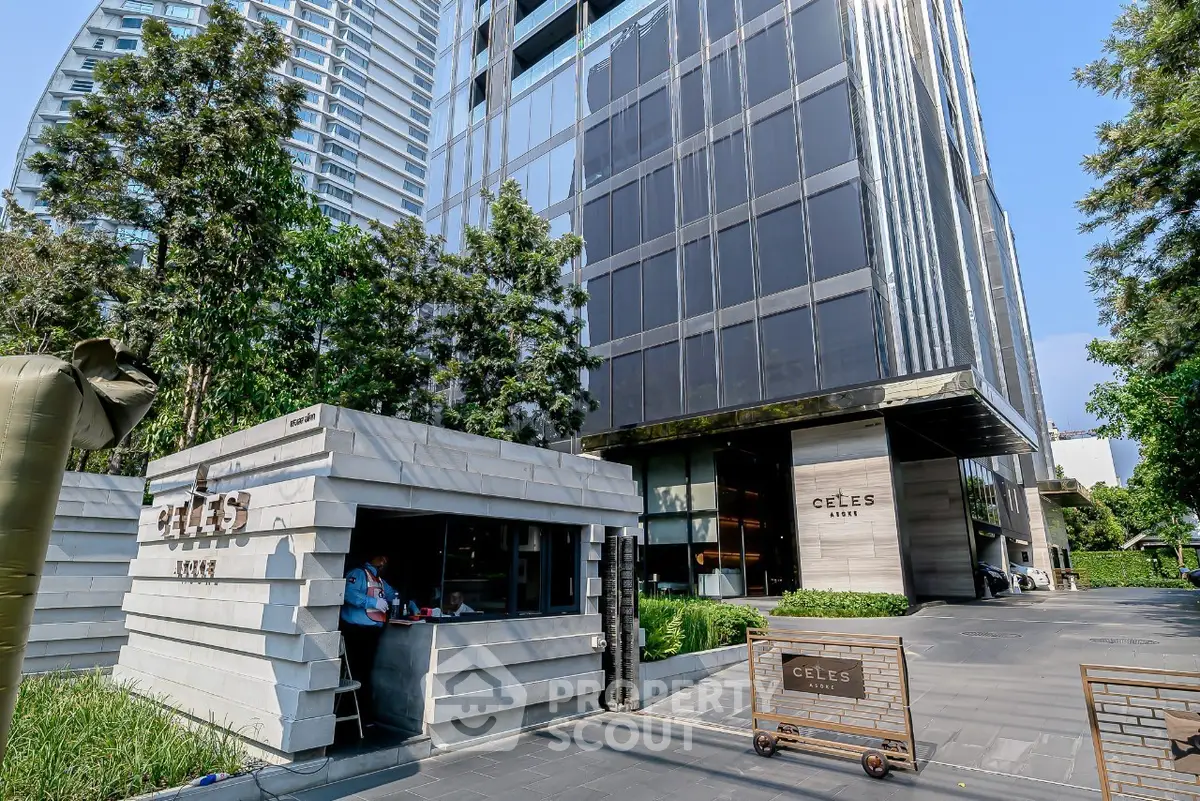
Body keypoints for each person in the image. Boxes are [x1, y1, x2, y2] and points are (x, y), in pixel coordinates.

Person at [340, 554, 396, 725]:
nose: (384, 563)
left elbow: (392, 593)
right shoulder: (358, 574)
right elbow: (347, 593)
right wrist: (372, 602)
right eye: (382, 558)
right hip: (356, 632)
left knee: (366, 672)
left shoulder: (378, 579)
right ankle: (356, 714)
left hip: (371, 634)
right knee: (357, 673)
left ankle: (362, 714)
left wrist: (403, 601)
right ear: (377, 559)